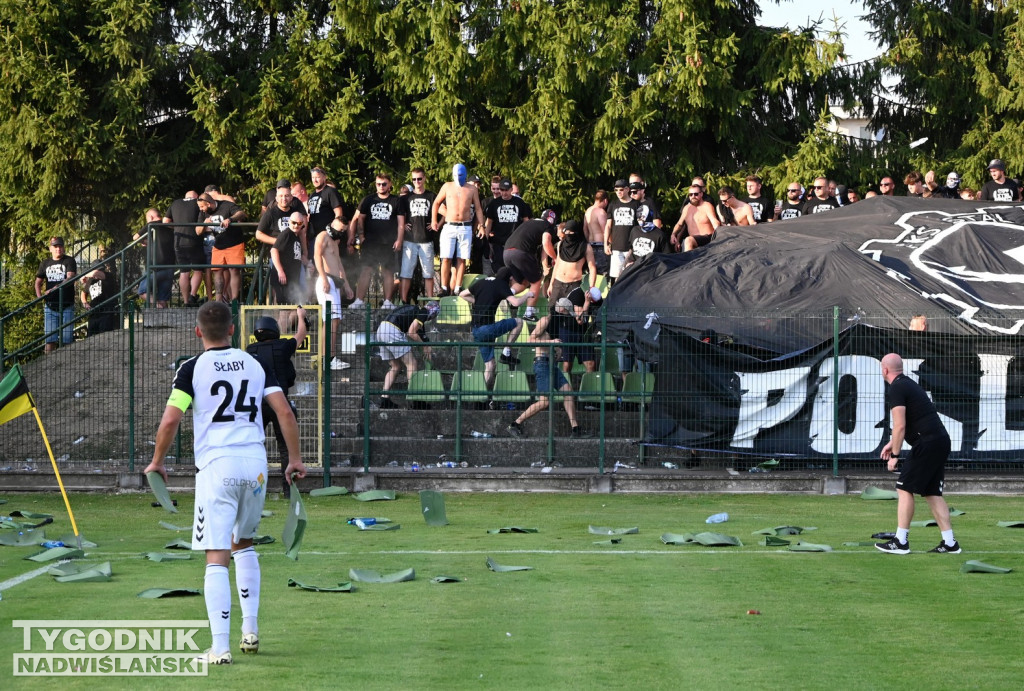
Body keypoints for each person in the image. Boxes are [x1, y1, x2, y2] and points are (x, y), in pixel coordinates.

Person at [145, 301, 306, 664]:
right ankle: (250, 630)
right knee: (244, 544)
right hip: (255, 465)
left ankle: (220, 647)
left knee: (216, 556)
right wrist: (294, 460)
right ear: (234, 330)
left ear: (198, 332)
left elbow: (171, 420)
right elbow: (284, 412)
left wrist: (157, 461)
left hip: (217, 467)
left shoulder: (192, 367)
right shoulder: (256, 363)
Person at [875, 353, 960, 555]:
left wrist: (894, 455)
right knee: (932, 493)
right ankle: (950, 544)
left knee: (904, 488)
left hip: (927, 443)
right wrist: (891, 443)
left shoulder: (896, 387)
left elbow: (900, 425)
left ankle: (901, 541)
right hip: (939, 441)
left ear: (885, 370)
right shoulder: (907, 384)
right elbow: (915, 419)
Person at [246, 307, 306, 497]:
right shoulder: (283, 346)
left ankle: (255, 490)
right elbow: (301, 334)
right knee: (285, 448)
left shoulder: (250, 350)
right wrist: (301, 317)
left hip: (257, 404)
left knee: (255, 447)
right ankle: (290, 490)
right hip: (280, 403)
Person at [507, 301, 582, 439]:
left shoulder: (556, 324)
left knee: (568, 392)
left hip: (551, 364)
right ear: (561, 310)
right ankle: (515, 424)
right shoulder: (545, 320)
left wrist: (558, 350)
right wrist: (551, 343)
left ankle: (575, 429)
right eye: (566, 313)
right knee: (544, 402)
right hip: (542, 364)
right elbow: (530, 341)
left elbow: (552, 344)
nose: (567, 317)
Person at [460, 268, 531, 390]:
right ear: (510, 278)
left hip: (476, 330)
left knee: (490, 365)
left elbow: (462, 294)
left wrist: (476, 302)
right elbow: (515, 303)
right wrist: (528, 295)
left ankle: (481, 396)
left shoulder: (482, 281)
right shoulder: (501, 284)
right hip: (487, 329)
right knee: (519, 322)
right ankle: (506, 352)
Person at [349, 173, 402, 309]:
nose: (381, 186)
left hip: (388, 243)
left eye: (384, 184)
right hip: (370, 243)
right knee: (366, 269)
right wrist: (361, 237)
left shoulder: (396, 201)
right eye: (378, 184)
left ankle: (387, 302)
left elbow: (401, 222)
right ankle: (359, 300)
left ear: (390, 184)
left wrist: (399, 240)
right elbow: (360, 218)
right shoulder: (368, 200)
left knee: (387, 271)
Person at [374, 301, 440, 409]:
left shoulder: (415, 311)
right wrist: (424, 346)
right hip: (392, 331)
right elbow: (411, 332)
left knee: (395, 366)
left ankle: (384, 399)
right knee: (412, 363)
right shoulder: (423, 312)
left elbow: (420, 333)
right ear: (432, 312)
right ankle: (415, 399)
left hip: (382, 329)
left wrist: (426, 344)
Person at [432, 163, 484, 297]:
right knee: (446, 258)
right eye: (455, 175)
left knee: (462, 258)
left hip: (465, 226)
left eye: (460, 175)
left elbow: (478, 208)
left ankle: (457, 287)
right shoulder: (447, 186)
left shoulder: (472, 188)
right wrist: (434, 220)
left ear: (465, 175)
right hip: (449, 225)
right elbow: (436, 203)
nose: (458, 177)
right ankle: (444, 287)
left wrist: (482, 226)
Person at [502, 210, 558, 320]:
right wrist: (556, 258)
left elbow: (543, 250)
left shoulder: (531, 222)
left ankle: (505, 296)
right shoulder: (547, 226)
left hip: (507, 252)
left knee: (523, 281)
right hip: (521, 253)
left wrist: (544, 265)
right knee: (536, 281)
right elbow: (546, 242)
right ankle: (529, 313)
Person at [313, 219, 354, 371]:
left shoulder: (334, 241)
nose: (341, 233)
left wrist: (347, 285)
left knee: (334, 320)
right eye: (340, 229)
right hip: (327, 280)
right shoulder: (323, 236)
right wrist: (323, 278)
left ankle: (329, 357)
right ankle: (327, 358)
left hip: (335, 282)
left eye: (344, 230)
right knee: (331, 320)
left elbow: (339, 265)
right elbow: (317, 256)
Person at [197, 192, 247, 303]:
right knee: (217, 270)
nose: (201, 209)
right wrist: (204, 224)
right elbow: (197, 231)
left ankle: (234, 300)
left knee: (234, 270)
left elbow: (241, 213)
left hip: (235, 242)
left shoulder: (226, 205)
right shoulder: (203, 213)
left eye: (202, 207)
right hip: (218, 244)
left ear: (209, 204)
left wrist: (230, 219)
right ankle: (219, 300)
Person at [397, 168, 438, 303]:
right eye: (414, 179)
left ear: (424, 178)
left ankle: (431, 301)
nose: (417, 182)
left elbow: (445, 211)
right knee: (406, 273)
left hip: (426, 240)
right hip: (410, 240)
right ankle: (403, 301)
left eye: (419, 179)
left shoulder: (432, 196)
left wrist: (436, 223)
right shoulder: (406, 198)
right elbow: (399, 217)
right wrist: (404, 225)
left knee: (428, 273)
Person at [35, 236, 77, 352]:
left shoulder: (69, 261)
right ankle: (49, 366)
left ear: (63, 248)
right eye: (55, 246)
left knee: (67, 340)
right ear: (50, 249)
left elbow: (70, 277)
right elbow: (38, 282)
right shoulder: (45, 263)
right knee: (49, 340)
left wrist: (54, 288)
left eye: (60, 246)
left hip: (67, 305)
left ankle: (66, 365)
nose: (58, 249)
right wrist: (40, 297)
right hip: (50, 306)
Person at [165, 191, 206, 306]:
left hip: (178, 241)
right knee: (198, 270)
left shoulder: (175, 203)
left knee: (184, 272)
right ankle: (193, 295)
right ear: (196, 197)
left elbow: (165, 221)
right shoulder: (198, 203)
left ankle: (186, 301)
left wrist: (177, 227)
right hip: (194, 240)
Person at [483, 178, 532, 274]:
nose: (504, 193)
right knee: (500, 270)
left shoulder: (519, 203)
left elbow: (526, 222)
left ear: (511, 190)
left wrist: (528, 239)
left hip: (515, 243)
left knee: (515, 270)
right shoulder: (494, 203)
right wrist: (485, 239)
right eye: (502, 190)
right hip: (498, 242)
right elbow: (489, 222)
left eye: (506, 190)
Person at [134, 208, 174, 308]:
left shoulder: (151, 225)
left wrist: (143, 242)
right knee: (163, 298)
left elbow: (135, 237)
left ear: (151, 217)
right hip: (170, 266)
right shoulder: (170, 225)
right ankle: (165, 320)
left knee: (142, 291)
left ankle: (157, 305)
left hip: (155, 266)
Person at [269, 212, 309, 312]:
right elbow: (273, 250)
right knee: (284, 310)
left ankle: (282, 326)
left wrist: (308, 263)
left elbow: (299, 256)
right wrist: (280, 271)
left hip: (291, 279)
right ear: (289, 222)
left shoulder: (297, 236)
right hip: (283, 277)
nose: (296, 225)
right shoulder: (286, 234)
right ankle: (278, 327)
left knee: (293, 309)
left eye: (299, 223)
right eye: (293, 222)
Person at [79, 247, 120, 335]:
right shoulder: (90, 280)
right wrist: (85, 304)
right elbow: (83, 292)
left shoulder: (108, 276)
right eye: (97, 269)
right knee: (91, 336)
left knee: (104, 335)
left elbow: (98, 274)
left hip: (106, 311)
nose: (98, 272)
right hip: (94, 312)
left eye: (101, 269)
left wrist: (86, 275)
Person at [604, 179, 638, 281]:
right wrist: (605, 244)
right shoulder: (613, 205)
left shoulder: (636, 204)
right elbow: (608, 226)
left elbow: (640, 226)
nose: (618, 192)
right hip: (616, 247)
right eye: (616, 189)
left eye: (621, 189)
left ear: (627, 189)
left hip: (632, 247)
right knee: (617, 277)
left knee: (631, 276)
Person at [671, 184, 719, 251]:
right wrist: (673, 235)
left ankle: (690, 261)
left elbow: (715, 222)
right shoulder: (686, 208)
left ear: (701, 194)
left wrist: (719, 236)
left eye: (696, 194)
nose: (693, 196)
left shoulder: (707, 206)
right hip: (693, 242)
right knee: (688, 241)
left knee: (688, 240)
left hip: (708, 239)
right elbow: (679, 224)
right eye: (691, 194)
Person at [583, 190, 610, 276]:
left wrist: (588, 241)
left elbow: (585, 229)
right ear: (605, 200)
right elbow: (605, 229)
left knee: (592, 271)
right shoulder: (601, 212)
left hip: (590, 244)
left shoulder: (588, 211)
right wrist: (609, 243)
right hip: (601, 245)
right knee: (603, 273)